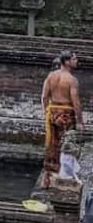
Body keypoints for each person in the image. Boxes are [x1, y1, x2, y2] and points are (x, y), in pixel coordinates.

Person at [42, 51, 83, 188]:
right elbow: (76, 102)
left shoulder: (51, 76)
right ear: (66, 62)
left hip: (52, 112)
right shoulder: (72, 80)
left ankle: (48, 177)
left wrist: (47, 111)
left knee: (52, 144)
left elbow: (44, 97)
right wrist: (79, 120)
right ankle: (65, 177)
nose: (76, 61)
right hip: (66, 113)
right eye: (74, 59)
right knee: (67, 145)